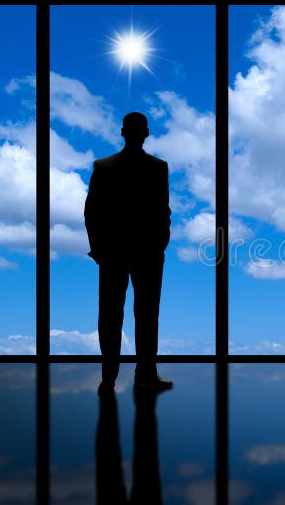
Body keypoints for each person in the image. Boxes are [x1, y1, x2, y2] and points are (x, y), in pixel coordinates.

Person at [85, 112, 172, 391]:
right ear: (146, 133)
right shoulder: (157, 168)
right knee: (143, 315)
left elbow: (91, 213)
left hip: (120, 253)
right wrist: (159, 245)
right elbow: (163, 212)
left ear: (123, 132)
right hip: (140, 253)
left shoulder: (105, 166)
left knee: (112, 315)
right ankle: (143, 373)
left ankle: (110, 377)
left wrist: (99, 248)